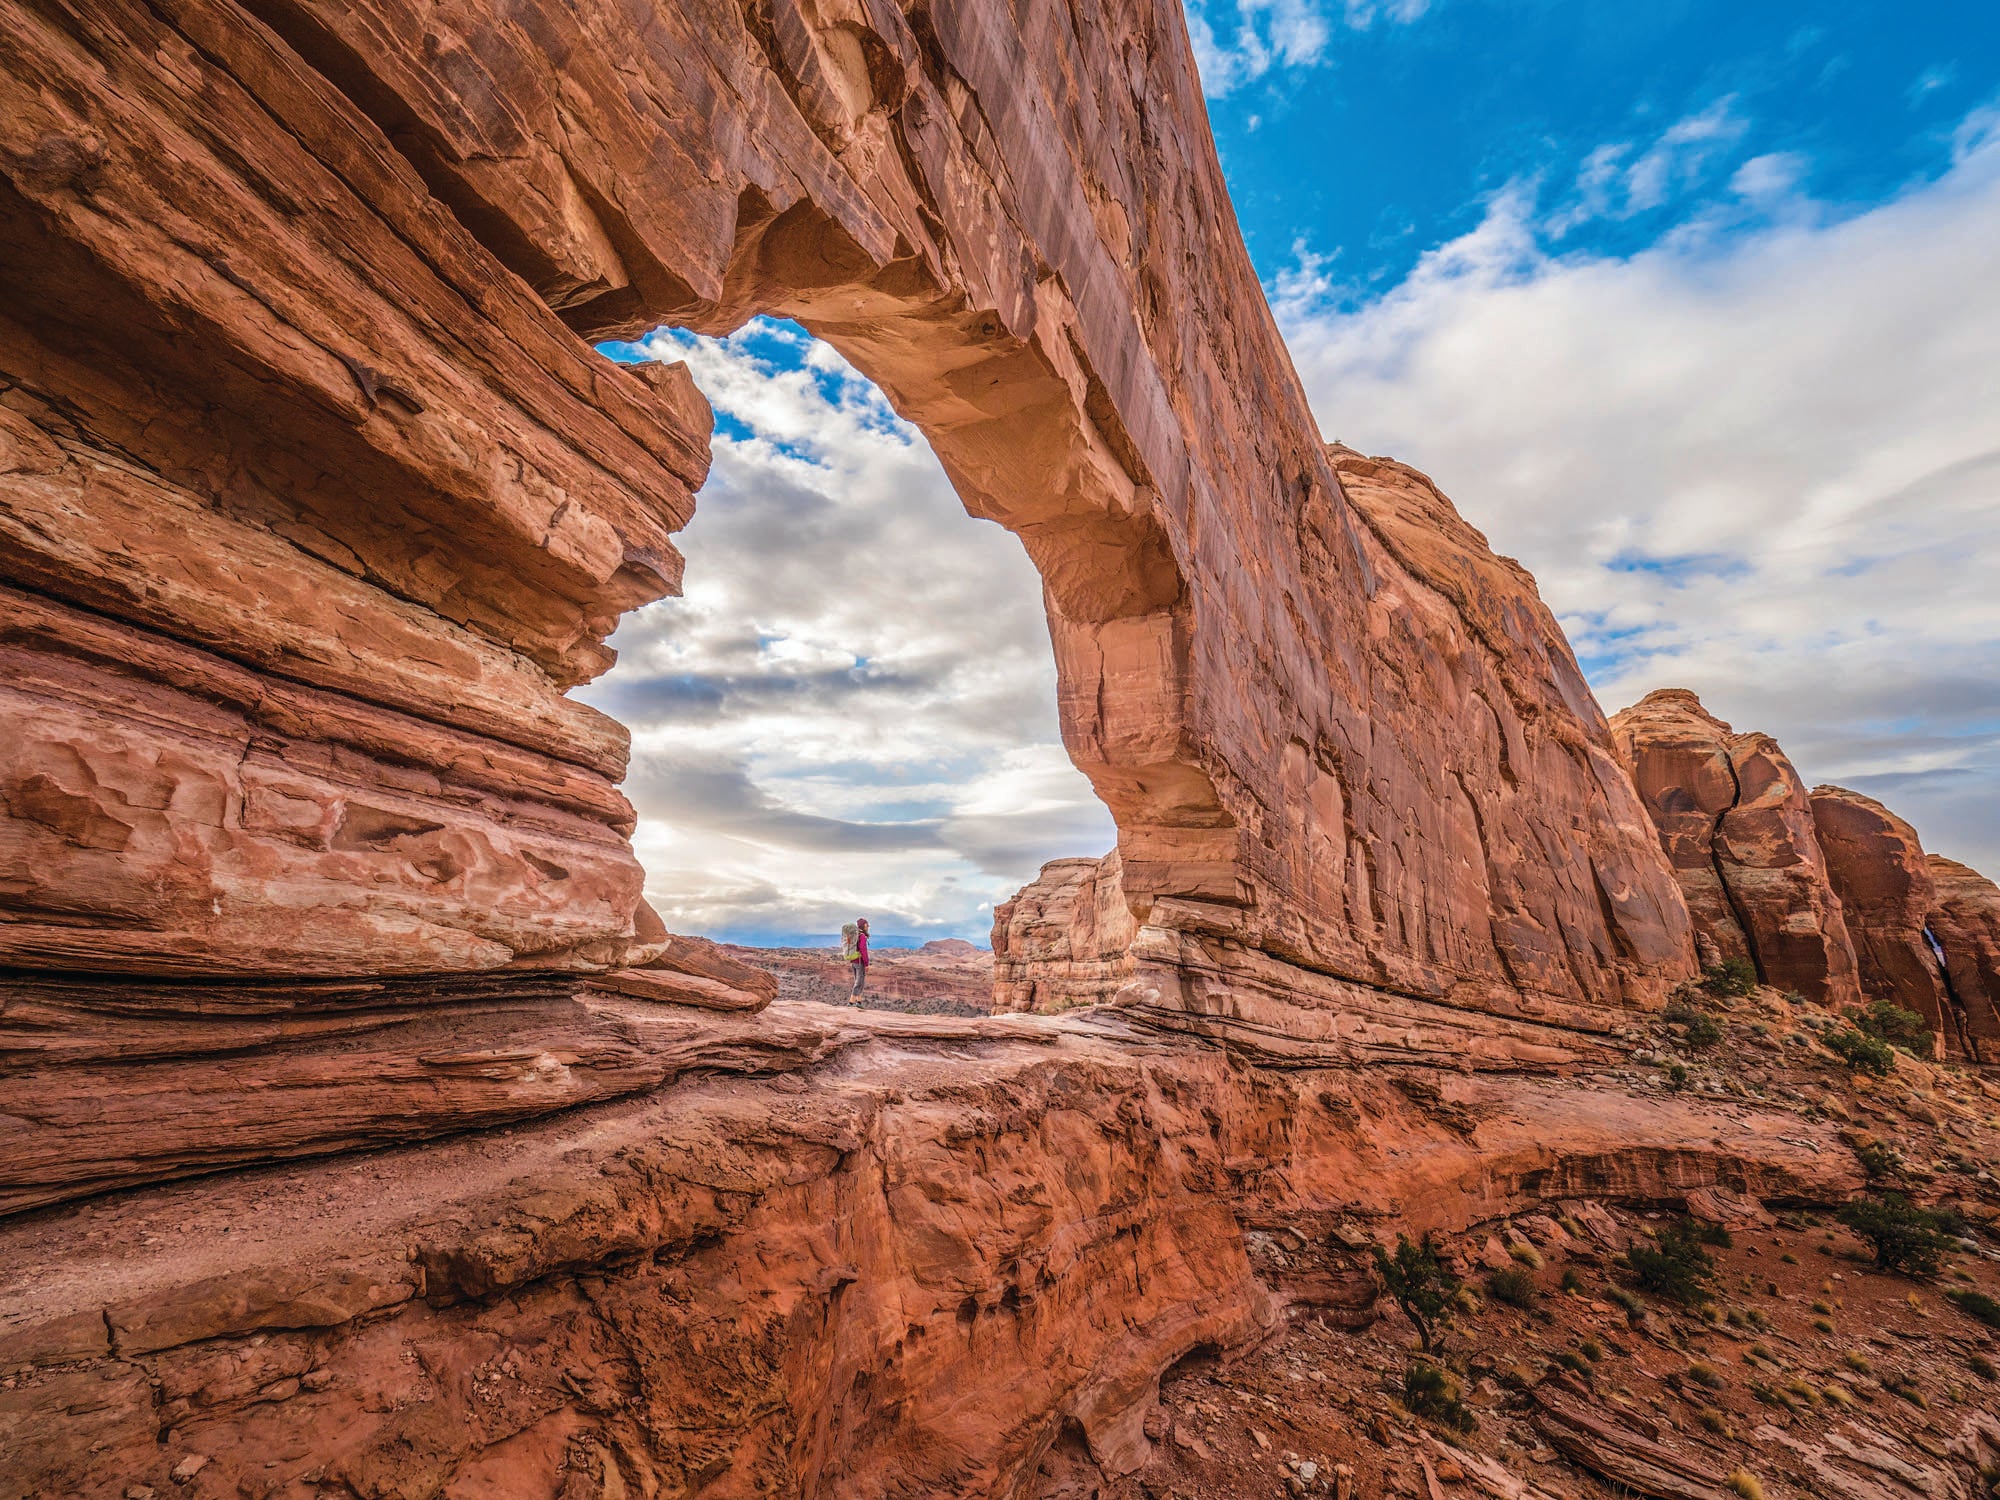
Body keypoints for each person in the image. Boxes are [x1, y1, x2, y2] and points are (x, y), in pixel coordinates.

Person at [848, 917, 870, 1003]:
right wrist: (867, 963)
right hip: (860, 962)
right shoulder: (862, 936)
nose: (868, 926)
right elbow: (863, 950)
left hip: (853, 961)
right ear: (863, 926)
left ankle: (859, 1001)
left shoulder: (855, 935)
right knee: (859, 982)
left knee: (858, 981)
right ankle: (851, 1002)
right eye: (867, 925)